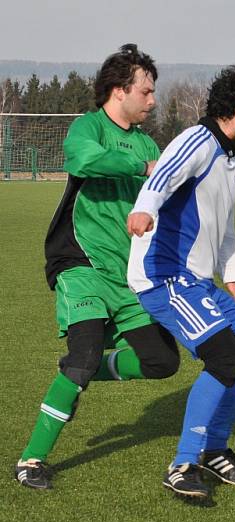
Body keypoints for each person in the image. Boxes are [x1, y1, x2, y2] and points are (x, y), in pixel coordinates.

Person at [14, 44, 180, 490]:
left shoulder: (149, 142)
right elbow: (82, 160)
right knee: (82, 356)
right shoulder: (88, 127)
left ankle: (88, 367)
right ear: (118, 90)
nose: (152, 100)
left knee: (163, 362)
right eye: (146, 91)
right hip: (81, 263)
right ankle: (31, 460)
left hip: (129, 275)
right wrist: (141, 167)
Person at [127, 66, 235, 499]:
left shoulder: (230, 158)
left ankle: (214, 446)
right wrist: (144, 209)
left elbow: (224, 224)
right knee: (225, 357)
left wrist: (232, 275)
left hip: (198, 279)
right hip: (164, 276)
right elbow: (161, 175)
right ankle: (183, 463)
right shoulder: (197, 141)